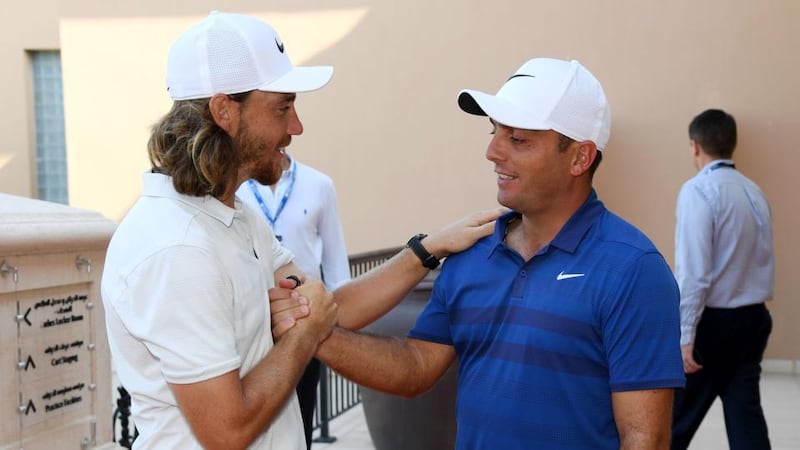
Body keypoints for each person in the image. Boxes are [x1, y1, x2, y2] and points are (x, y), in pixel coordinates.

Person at [100, 11, 500, 450]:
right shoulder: (176, 248)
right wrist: (306, 333)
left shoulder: (233, 218)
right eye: (282, 107)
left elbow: (331, 308)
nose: (296, 127)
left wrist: (426, 249)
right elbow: (227, 431)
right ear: (224, 111)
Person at [275, 58, 685, 449]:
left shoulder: (633, 270)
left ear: (580, 156)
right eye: (495, 133)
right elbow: (416, 366)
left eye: (518, 139)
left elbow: (645, 439)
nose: (493, 153)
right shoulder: (471, 254)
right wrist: (315, 335)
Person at [671, 109, 774, 449]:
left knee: (672, 423)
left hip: (713, 325)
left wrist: (685, 335)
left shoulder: (698, 191)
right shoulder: (754, 191)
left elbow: (694, 272)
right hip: (754, 318)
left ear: (695, 147)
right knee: (745, 417)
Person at [237, 152, 351, 449]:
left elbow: (336, 262)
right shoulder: (235, 188)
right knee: (255, 421)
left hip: (304, 322)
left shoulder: (319, 184)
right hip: (254, 327)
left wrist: (341, 327)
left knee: (302, 415)